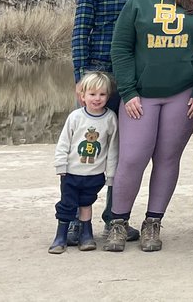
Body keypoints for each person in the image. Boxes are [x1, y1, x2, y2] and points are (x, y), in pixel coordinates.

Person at [106, 0, 193, 252]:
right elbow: (121, 49)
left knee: (167, 159)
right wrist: (128, 91)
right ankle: (118, 222)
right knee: (132, 158)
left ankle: (153, 223)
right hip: (141, 96)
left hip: (182, 95)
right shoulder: (139, 2)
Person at [70, 0, 159, 242]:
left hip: (138, 79)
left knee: (124, 151)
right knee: (87, 149)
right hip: (101, 75)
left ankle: (114, 218)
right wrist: (82, 79)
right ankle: (77, 219)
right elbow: (81, 32)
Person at [49, 71, 118, 253]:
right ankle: (61, 236)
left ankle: (86, 234)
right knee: (67, 203)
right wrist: (61, 164)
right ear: (83, 96)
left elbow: (113, 149)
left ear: (108, 96)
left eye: (102, 94)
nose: (97, 99)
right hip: (71, 173)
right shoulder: (75, 117)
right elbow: (64, 142)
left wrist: (110, 175)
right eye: (92, 94)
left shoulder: (110, 118)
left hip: (94, 174)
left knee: (86, 203)